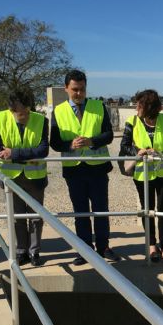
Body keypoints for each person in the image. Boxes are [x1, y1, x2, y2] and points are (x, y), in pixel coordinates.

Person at [50, 69, 120, 264]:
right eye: (75, 89)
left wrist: (91, 141)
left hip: (97, 168)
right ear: (66, 88)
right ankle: (84, 249)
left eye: (82, 89)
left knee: (100, 210)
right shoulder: (58, 111)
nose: (79, 93)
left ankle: (103, 246)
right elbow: (54, 142)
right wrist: (70, 145)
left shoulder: (99, 106)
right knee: (80, 212)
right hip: (73, 169)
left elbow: (108, 135)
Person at [119, 89, 163, 263]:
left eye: (139, 105)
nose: (136, 108)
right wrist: (137, 151)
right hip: (142, 174)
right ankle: (151, 245)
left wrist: (160, 153)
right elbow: (124, 145)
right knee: (147, 211)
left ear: (149, 107)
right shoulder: (132, 121)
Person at [0, 89, 49, 267]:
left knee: (36, 217)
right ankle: (21, 250)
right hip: (11, 178)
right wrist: (22, 154)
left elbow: (43, 150)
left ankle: (35, 251)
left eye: (26, 112)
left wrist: (14, 153)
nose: (23, 117)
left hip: (35, 177)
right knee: (17, 217)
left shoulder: (41, 120)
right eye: (19, 113)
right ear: (11, 110)